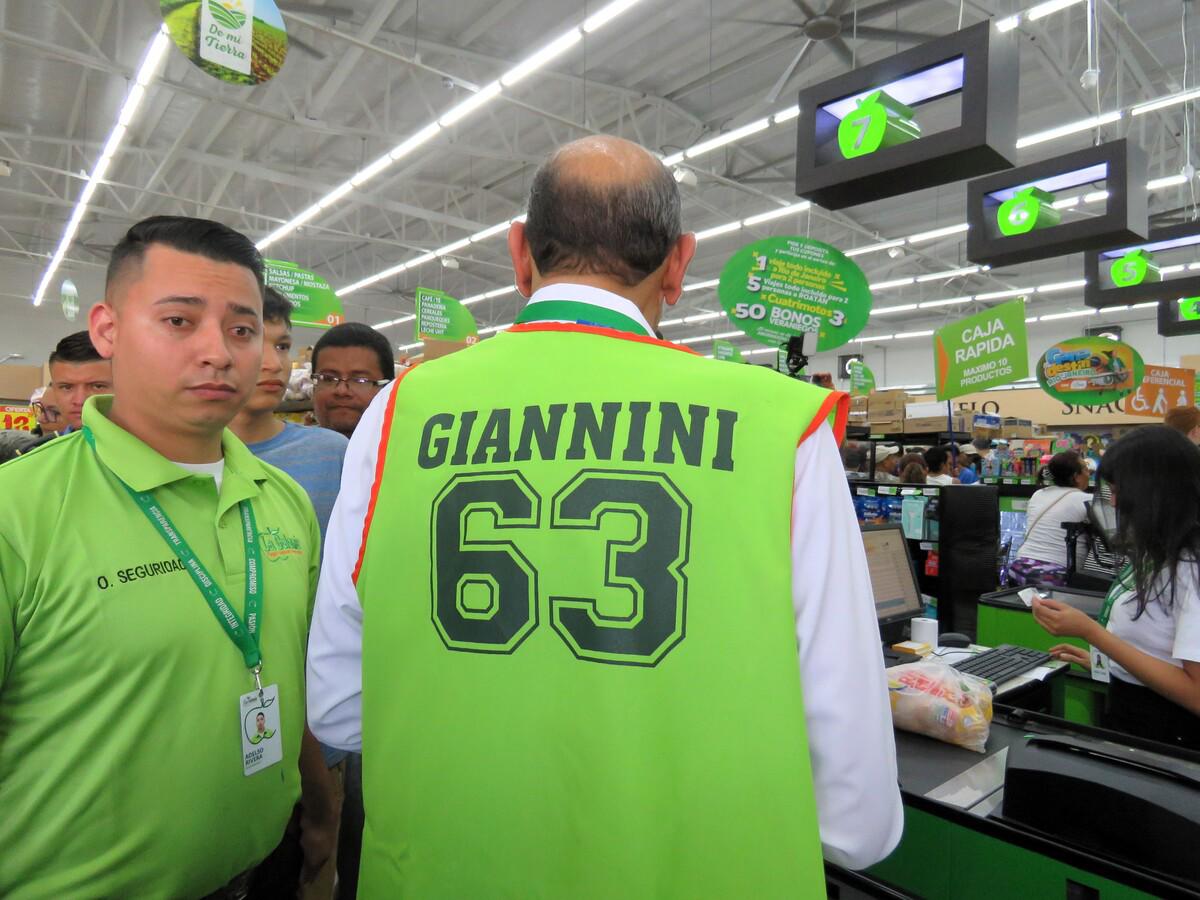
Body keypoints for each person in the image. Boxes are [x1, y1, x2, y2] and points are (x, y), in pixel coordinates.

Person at [308, 135, 902, 897]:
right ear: (681, 264)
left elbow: (338, 706)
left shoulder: (398, 412)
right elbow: (854, 810)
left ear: (520, 253)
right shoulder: (781, 425)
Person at [0, 215, 337, 897]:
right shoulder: (19, 511)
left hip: (260, 870)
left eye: (242, 329)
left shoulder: (282, 501)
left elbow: (287, 676)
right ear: (108, 330)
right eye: (180, 322)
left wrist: (323, 827)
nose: (219, 351)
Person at [1033, 426, 1200, 749]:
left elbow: (1196, 694)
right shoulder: (1163, 553)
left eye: (1120, 489)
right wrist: (1103, 660)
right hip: (1137, 725)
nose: (1117, 501)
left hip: (1169, 741)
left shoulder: (1191, 568)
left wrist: (1093, 634)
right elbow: (1159, 652)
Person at [229, 287, 349, 542]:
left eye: (282, 346)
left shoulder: (332, 454)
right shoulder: (183, 457)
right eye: (247, 338)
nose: (274, 364)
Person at [1007, 450, 1092, 588]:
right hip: (1055, 575)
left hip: (1019, 568)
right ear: (1076, 476)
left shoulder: (1038, 494)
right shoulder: (1086, 500)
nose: (1089, 474)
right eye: (1086, 469)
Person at [311, 322, 394, 438]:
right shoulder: (296, 453)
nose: (341, 391)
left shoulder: (407, 452)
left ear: (388, 388)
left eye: (359, 380)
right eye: (328, 379)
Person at [46, 329, 113, 431]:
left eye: (97, 386)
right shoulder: (45, 447)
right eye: (66, 387)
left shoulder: (143, 445)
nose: (79, 400)